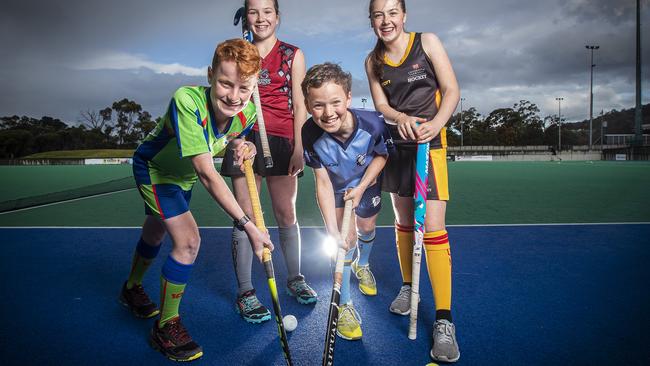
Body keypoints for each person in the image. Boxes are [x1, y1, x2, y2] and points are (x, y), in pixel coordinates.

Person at [119, 39, 274, 362]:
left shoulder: (245, 112)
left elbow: (235, 138)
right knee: (188, 242)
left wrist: (246, 147)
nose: (234, 96)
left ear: (254, 85)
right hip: (156, 171)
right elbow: (206, 173)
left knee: (156, 232)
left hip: (182, 177)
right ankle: (166, 326)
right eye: (225, 84)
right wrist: (248, 226)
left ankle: (131, 287)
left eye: (244, 87)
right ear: (209, 75)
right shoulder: (186, 101)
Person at [365, 0, 461, 362]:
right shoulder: (373, 60)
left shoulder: (428, 42)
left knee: (433, 228)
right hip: (398, 148)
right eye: (378, 14)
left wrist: (435, 124)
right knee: (404, 223)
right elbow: (382, 107)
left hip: (430, 147)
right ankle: (408, 288)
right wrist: (400, 117)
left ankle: (443, 319)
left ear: (403, 15)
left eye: (392, 12)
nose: (386, 20)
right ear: (372, 20)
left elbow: (451, 90)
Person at [221, 0, 316, 324]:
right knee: (246, 217)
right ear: (246, 16)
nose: (260, 18)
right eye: (253, 11)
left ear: (277, 16)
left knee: (285, 213)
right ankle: (246, 292)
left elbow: (301, 104)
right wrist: (235, 138)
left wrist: (299, 146)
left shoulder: (293, 55)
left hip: (281, 140)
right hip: (244, 138)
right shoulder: (237, 53)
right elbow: (226, 99)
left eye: (267, 11)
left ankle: (294, 278)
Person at [301, 63, 388, 340]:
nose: (328, 113)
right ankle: (345, 306)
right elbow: (323, 182)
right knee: (344, 241)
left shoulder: (373, 122)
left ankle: (364, 266)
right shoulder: (309, 134)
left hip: (366, 182)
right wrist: (331, 230)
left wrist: (362, 186)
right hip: (337, 189)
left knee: (366, 227)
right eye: (318, 105)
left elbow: (382, 156)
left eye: (335, 102)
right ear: (307, 104)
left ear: (348, 98)